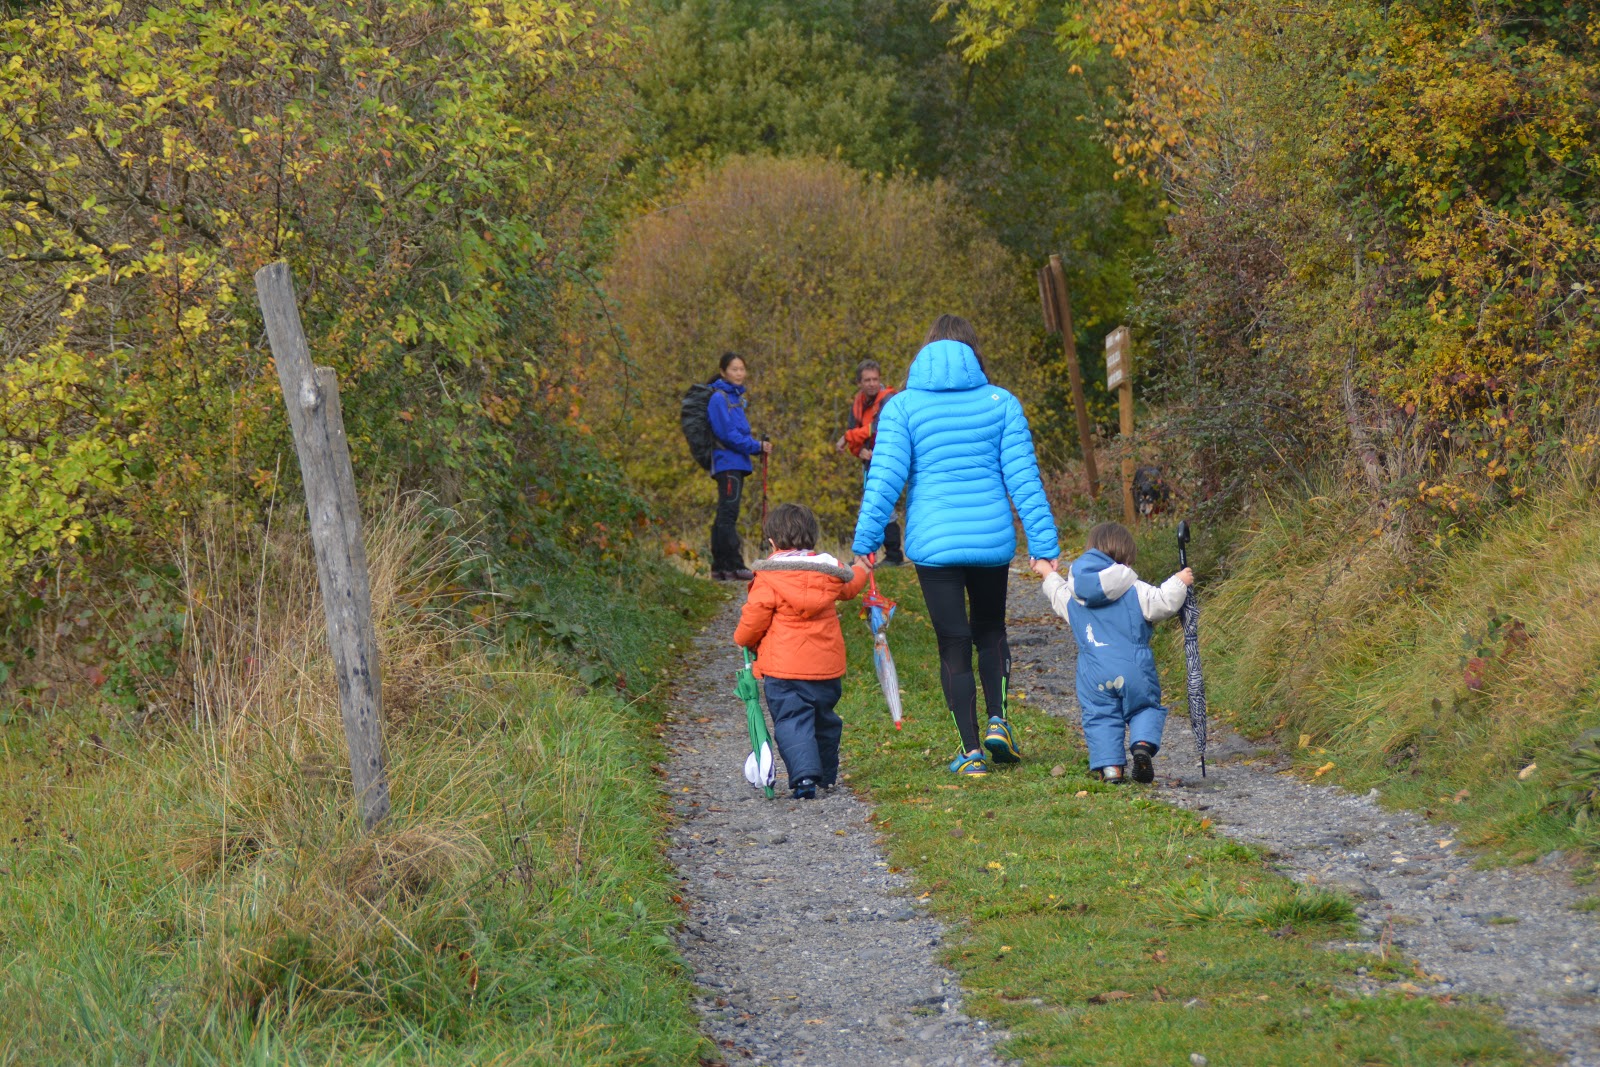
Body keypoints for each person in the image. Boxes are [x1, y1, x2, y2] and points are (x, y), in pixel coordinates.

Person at [851, 314, 1059, 778]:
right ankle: (999, 721)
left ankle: (970, 753)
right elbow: (1025, 480)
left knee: (953, 642)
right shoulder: (1001, 403)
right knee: (991, 630)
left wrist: (866, 542)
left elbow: (884, 480)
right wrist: (1043, 543)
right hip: (990, 539)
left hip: (935, 543)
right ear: (973, 352)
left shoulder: (902, 408)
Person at [1032, 522, 1193, 783]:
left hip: (1093, 674)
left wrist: (1047, 571)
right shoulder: (1134, 589)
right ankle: (1142, 745)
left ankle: (1111, 769)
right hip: (1133, 668)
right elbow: (1163, 601)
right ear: (1126, 557)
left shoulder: (1074, 595)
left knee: (1100, 716)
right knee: (1144, 707)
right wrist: (1180, 581)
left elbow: (1055, 591)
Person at [734, 503, 870, 799]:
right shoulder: (829, 569)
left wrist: (742, 638)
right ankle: (826, 776)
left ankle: (806, 776)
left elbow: (754, 618)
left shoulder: (769, 576)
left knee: (792, 720)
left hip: (784, 669)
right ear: (812, 536)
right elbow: (851, 586)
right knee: (824, 719)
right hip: (826, 667)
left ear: (772, 541)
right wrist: (863, 567)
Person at [707, 352, 774, 581]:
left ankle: (721, 568)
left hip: (734, 463)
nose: (739, 373)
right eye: (734, 369)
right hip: (728, 463)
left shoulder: (734, 399)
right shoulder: (720, 399)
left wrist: (755, 447)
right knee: (728, 514)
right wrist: (756, 446)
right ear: (723, 371)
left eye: (741, 369)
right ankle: (733, 564)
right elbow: (728, 434)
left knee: (726, 513)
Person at [834, 359, 905, 566]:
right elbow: (856, 437)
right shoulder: (858, 404)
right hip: (869, 463)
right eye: (867, 380)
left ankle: (890, 555)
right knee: (873, 506)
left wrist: (847, 437)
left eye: (875, 379)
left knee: (882, 505)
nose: (872, 383)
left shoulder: (888, 399)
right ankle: (876, 555)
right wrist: (859, 451)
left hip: (890, 458)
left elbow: (878, 427)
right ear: (859, 383)